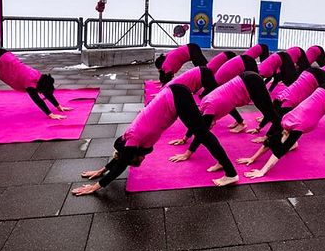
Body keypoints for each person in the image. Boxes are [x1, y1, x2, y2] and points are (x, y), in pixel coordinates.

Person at [71, 83, 238, 195]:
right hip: (174, 95)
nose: (142, 160)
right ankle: (224, 164)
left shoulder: (134, 137)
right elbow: (121, 156)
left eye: (138, 160)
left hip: (175, 96)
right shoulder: (131, 140)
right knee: (202, 132)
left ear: (134, 152)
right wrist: (102, 170)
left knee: (203, 134)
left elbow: (122, 162)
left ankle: (231, 173)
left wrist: (96, 187)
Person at [237, 82, 325, 178]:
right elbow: (271, 141)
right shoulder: (285, 120)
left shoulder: (297, 127)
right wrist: (252, 158)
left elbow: (280, 151)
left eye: (284, 135)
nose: (283, 135)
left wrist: (262, 171)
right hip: (324, 92)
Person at [168, 71, 279, 162]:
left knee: (271, 114)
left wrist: (187, 154)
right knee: (269, 112)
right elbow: (197, 125)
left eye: (209, 124)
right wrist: (185, 138)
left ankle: (288, 138)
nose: (211, 126)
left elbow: (201, 133)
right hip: (245, 79)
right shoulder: (203, 105)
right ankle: (281, 132)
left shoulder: (209, 108)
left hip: (251, 82)